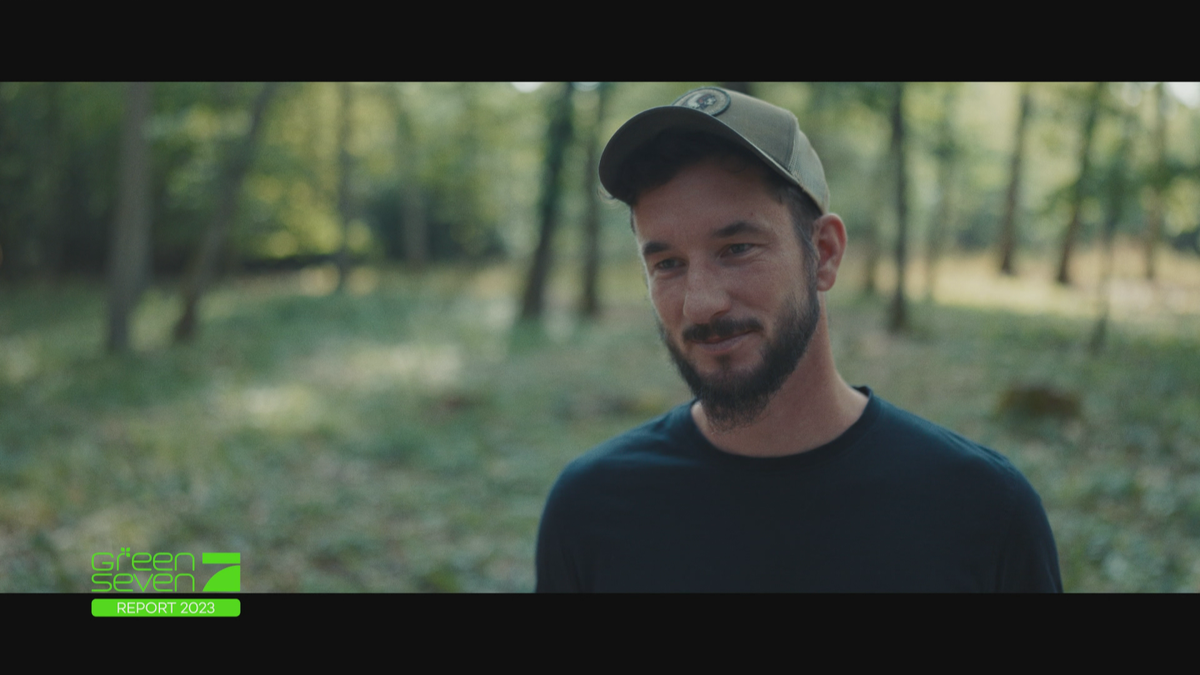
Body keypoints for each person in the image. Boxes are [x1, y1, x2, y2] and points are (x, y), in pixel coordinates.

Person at [535, 86, 1062, 592]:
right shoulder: (592, 510)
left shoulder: (981, 509)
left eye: (737, 248)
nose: (701, 304)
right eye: (668, 264)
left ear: (825, 254)